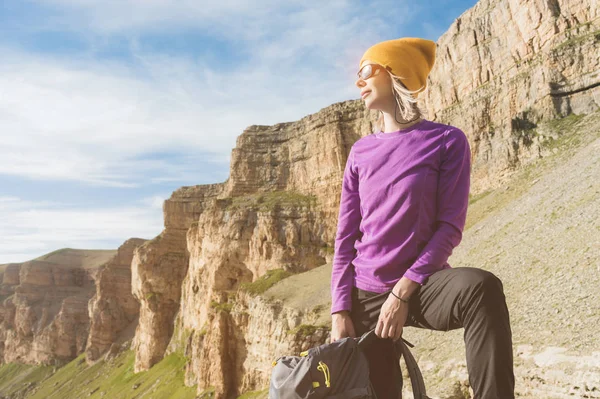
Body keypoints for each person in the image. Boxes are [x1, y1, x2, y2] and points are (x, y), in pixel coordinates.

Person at [330, 37, 515, 399]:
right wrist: (340, 309)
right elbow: (345, 238)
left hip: (421, 286)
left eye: (367, 71)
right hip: (365, 296)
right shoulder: (361, 151)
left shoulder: (446, 141)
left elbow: (449, 228)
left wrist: (402, 292)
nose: (359, 82)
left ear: (395, 73)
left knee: (482, 288)